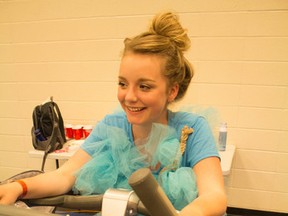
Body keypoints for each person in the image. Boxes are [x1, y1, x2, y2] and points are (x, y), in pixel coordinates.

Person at [0, 11, 227, 215]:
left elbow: (214, 197)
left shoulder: (191, 129)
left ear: (172, 90)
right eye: (122, 83)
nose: (129, 96)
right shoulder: (113, 125)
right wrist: (19, 187)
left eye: (144, 86)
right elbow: (64, 175)